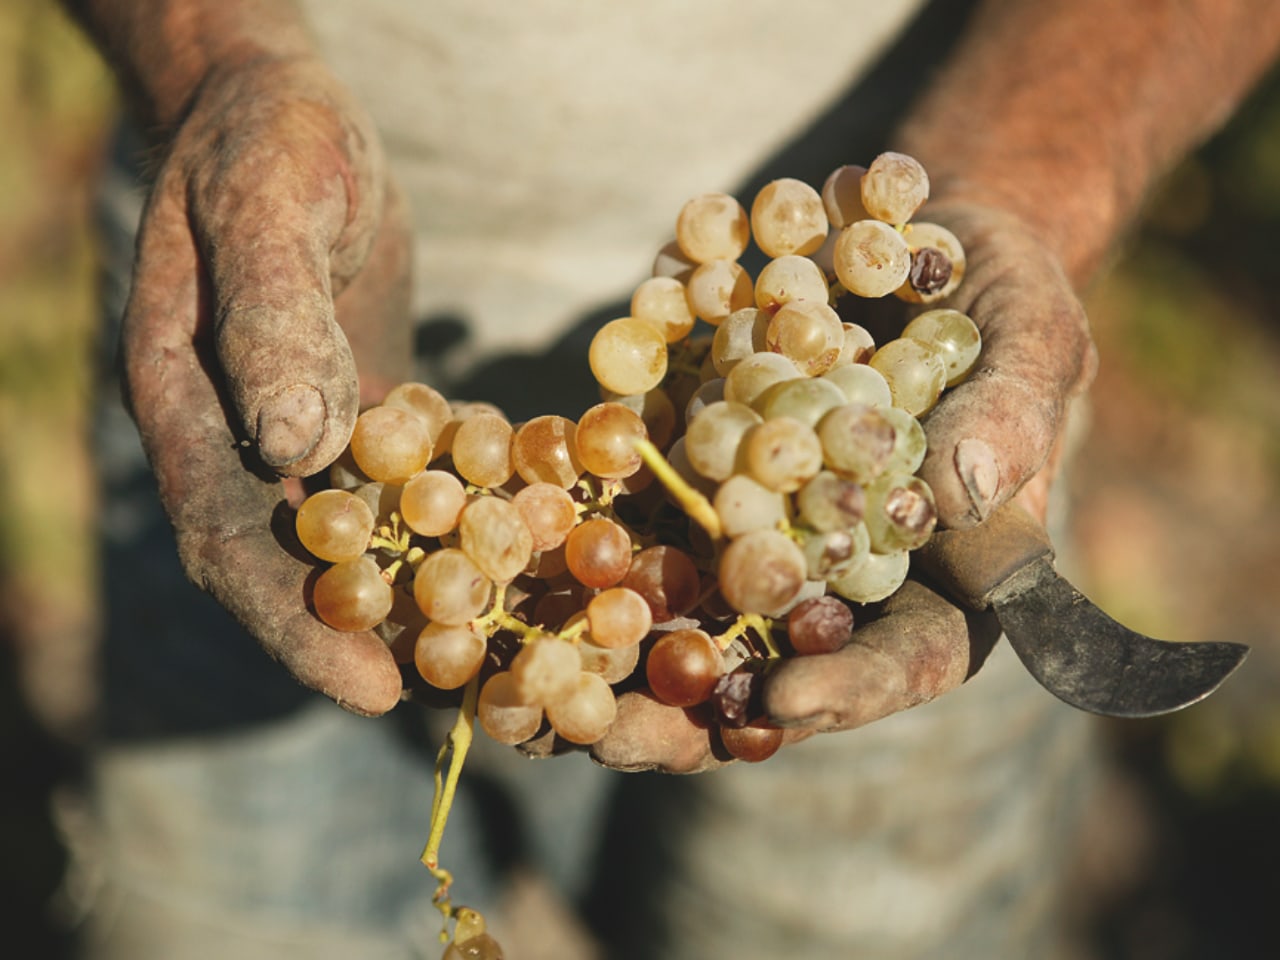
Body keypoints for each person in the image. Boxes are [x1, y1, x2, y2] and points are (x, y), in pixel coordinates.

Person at [57, 0, 1280, 957]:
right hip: (264, 309)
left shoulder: (842, 376)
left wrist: (1018, 184)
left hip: (889, 291)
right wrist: (215, 65)